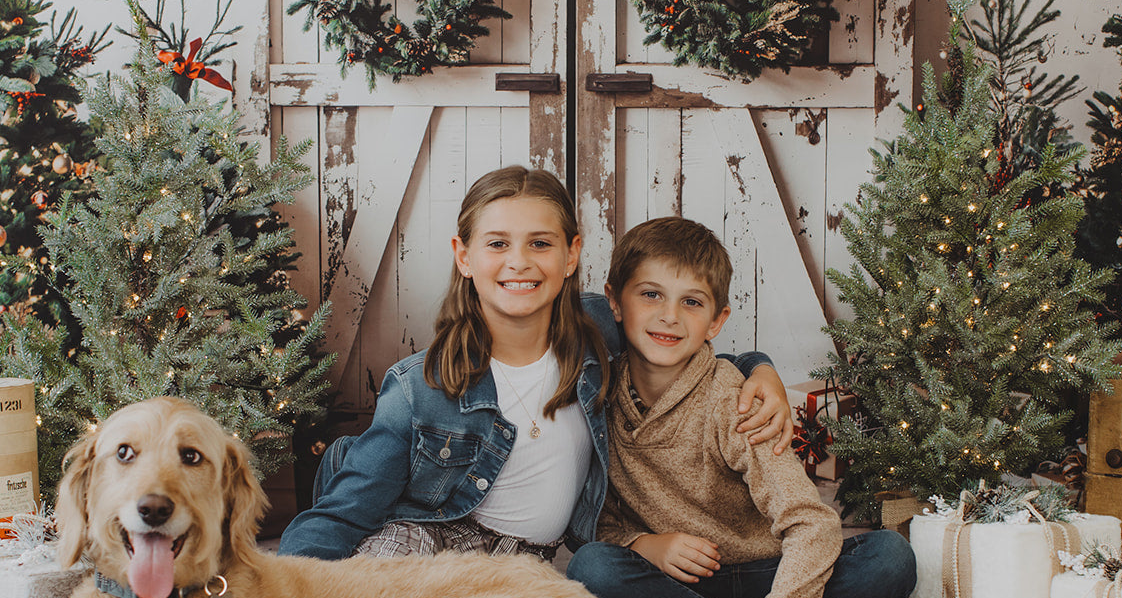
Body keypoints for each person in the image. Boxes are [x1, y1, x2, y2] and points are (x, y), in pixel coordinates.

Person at [278, 166, 793, 563]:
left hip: (524, 565)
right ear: (464, 257)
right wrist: (274, 590)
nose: (519, 262)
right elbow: (343, 516)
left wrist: (761, 370)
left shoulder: (599, 329)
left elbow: (685, 346)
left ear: (571, 256)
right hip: (425, 541)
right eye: (497, 244)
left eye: (540, 244)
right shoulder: (422, 386)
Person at [566, 216, 916, 598]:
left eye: (691, 302)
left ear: (716, 321)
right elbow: (600, 523)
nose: (669, 315)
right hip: (680, 585)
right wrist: (646, 544)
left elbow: (811, 526)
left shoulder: (736, 402)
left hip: (768, 573)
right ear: (614, 301)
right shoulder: (600, 397)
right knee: (592, 569)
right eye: (650, 294)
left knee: (889, 559)